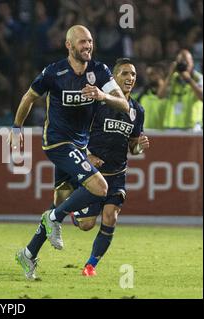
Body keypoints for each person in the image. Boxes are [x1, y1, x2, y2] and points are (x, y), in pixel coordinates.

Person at [11, 25, 129, 280]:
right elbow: (28, 97)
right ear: (69, 45)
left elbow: (123, 104)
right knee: (100, 187)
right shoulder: (54, 72)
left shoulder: (99, 71)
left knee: (78, 217)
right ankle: (53, 217)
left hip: (79, 146)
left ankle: (28, 254)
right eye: (82, 42)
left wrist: (101, 95)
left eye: (90, 41)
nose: (88, 46)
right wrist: (16, 128)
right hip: (56, 142)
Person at [70, 58, 149, 276]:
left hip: (117, 175)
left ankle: (90, 265)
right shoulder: (98, 103)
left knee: (110, 217)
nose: (130, 78)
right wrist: (87, 155)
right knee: (86, 225)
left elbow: (133, 146)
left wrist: (139, 147)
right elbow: (77, 133)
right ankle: (76, 213)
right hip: (94, 174)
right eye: (124, 74)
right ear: (113, 78)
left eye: (133, 74)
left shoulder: (137, 111)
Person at [158, 49, 203, 130]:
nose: (184, 65)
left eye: (186, 62)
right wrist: (170, 74)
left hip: (192, 127)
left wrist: (189, 80)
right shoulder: (172, 78)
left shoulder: (198, 78)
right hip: (172, 126)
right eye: (181, 62)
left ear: (192, 63)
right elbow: (160, 95)